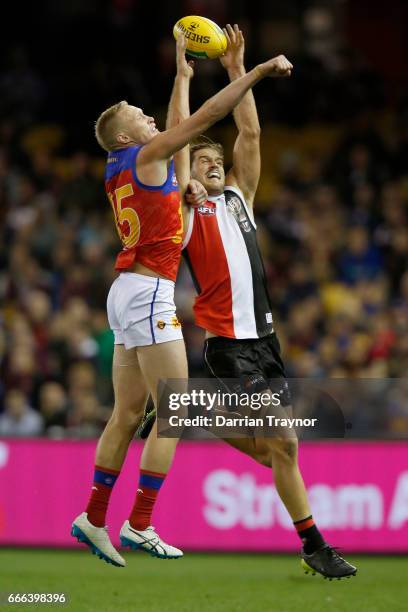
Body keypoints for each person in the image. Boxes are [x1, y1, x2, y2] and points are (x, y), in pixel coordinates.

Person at [71, 34, 295, 568]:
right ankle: (140, 523)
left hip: (124, 291)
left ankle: (93, 518)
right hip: (149, 291)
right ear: (126, 133)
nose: (149, 118)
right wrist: (256, 72)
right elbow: (203, 122)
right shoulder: (148, 153)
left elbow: (179, 133)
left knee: (128, 413)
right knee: (171, 410)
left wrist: (185, 75)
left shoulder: (123, 165)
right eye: (138, 115)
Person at [146, 24, 357, 580]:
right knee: (285, 441)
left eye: (217, 161)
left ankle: (190, 408)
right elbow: (179, 136)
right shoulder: (187, 216)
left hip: (267, 344)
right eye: (201, 162)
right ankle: (314, 545)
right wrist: (186, 77)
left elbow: (251, 134)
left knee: (274, 453)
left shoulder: (240, 196)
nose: (212, 165)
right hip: (229, 349)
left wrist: (239, 70)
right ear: (187, 173)